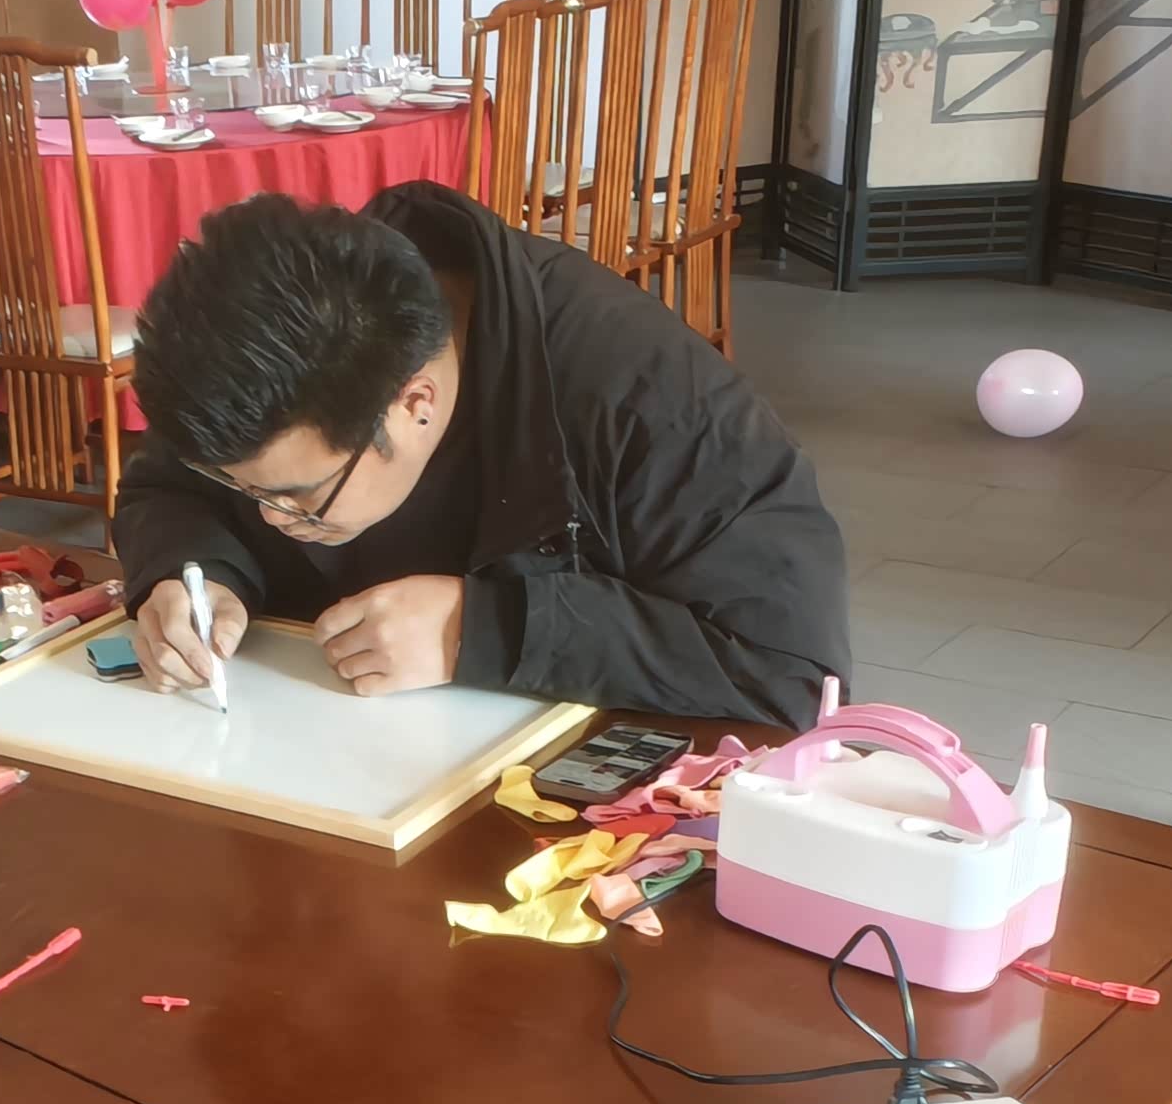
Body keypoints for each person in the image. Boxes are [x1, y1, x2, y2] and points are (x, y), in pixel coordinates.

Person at [113, 182, 850, 730]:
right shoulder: (261, 362)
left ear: (415, 403)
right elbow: (168, 490)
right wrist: (191, 574)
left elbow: (791, 674)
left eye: (299, 497)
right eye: (246, 491)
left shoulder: (649, 401)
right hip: (311, 758)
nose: (271, 518)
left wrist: (484, 630)